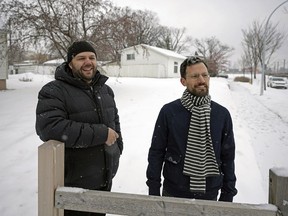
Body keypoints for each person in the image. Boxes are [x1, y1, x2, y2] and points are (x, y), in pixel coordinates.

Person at [36, 40, 123, 216]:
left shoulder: (105, 90)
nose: (88, 62)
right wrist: (101, 133)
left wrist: (117, 150)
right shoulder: (54, 90)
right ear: (70, 63)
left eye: (92, 57)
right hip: (73, 186)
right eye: (81, 58)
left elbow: (115, 121)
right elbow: (49, 127)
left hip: (104, 181)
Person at [146, 56, 237, 202]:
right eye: (195, 76)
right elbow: (157, 152)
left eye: (205, 75)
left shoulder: (221, 114)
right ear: (183, 81)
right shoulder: (169, 112)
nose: (201, 80)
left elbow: (228, 157)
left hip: (210, 194)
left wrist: (228, 193)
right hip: (173, 193)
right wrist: (154, 188)